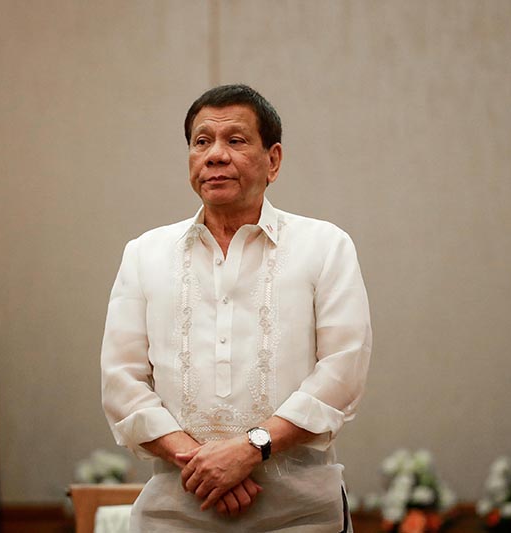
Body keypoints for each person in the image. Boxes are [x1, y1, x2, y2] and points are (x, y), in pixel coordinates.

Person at [101, 84, 372, 532]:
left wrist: (249, 449)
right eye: (201, 141)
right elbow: (121, 381)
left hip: (300, 513)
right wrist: (203, 463)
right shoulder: (145, 253)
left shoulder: (325, 246)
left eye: (236, 140)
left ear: (274, 160)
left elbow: (342, 374)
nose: (215, 155)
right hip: (176, 510)